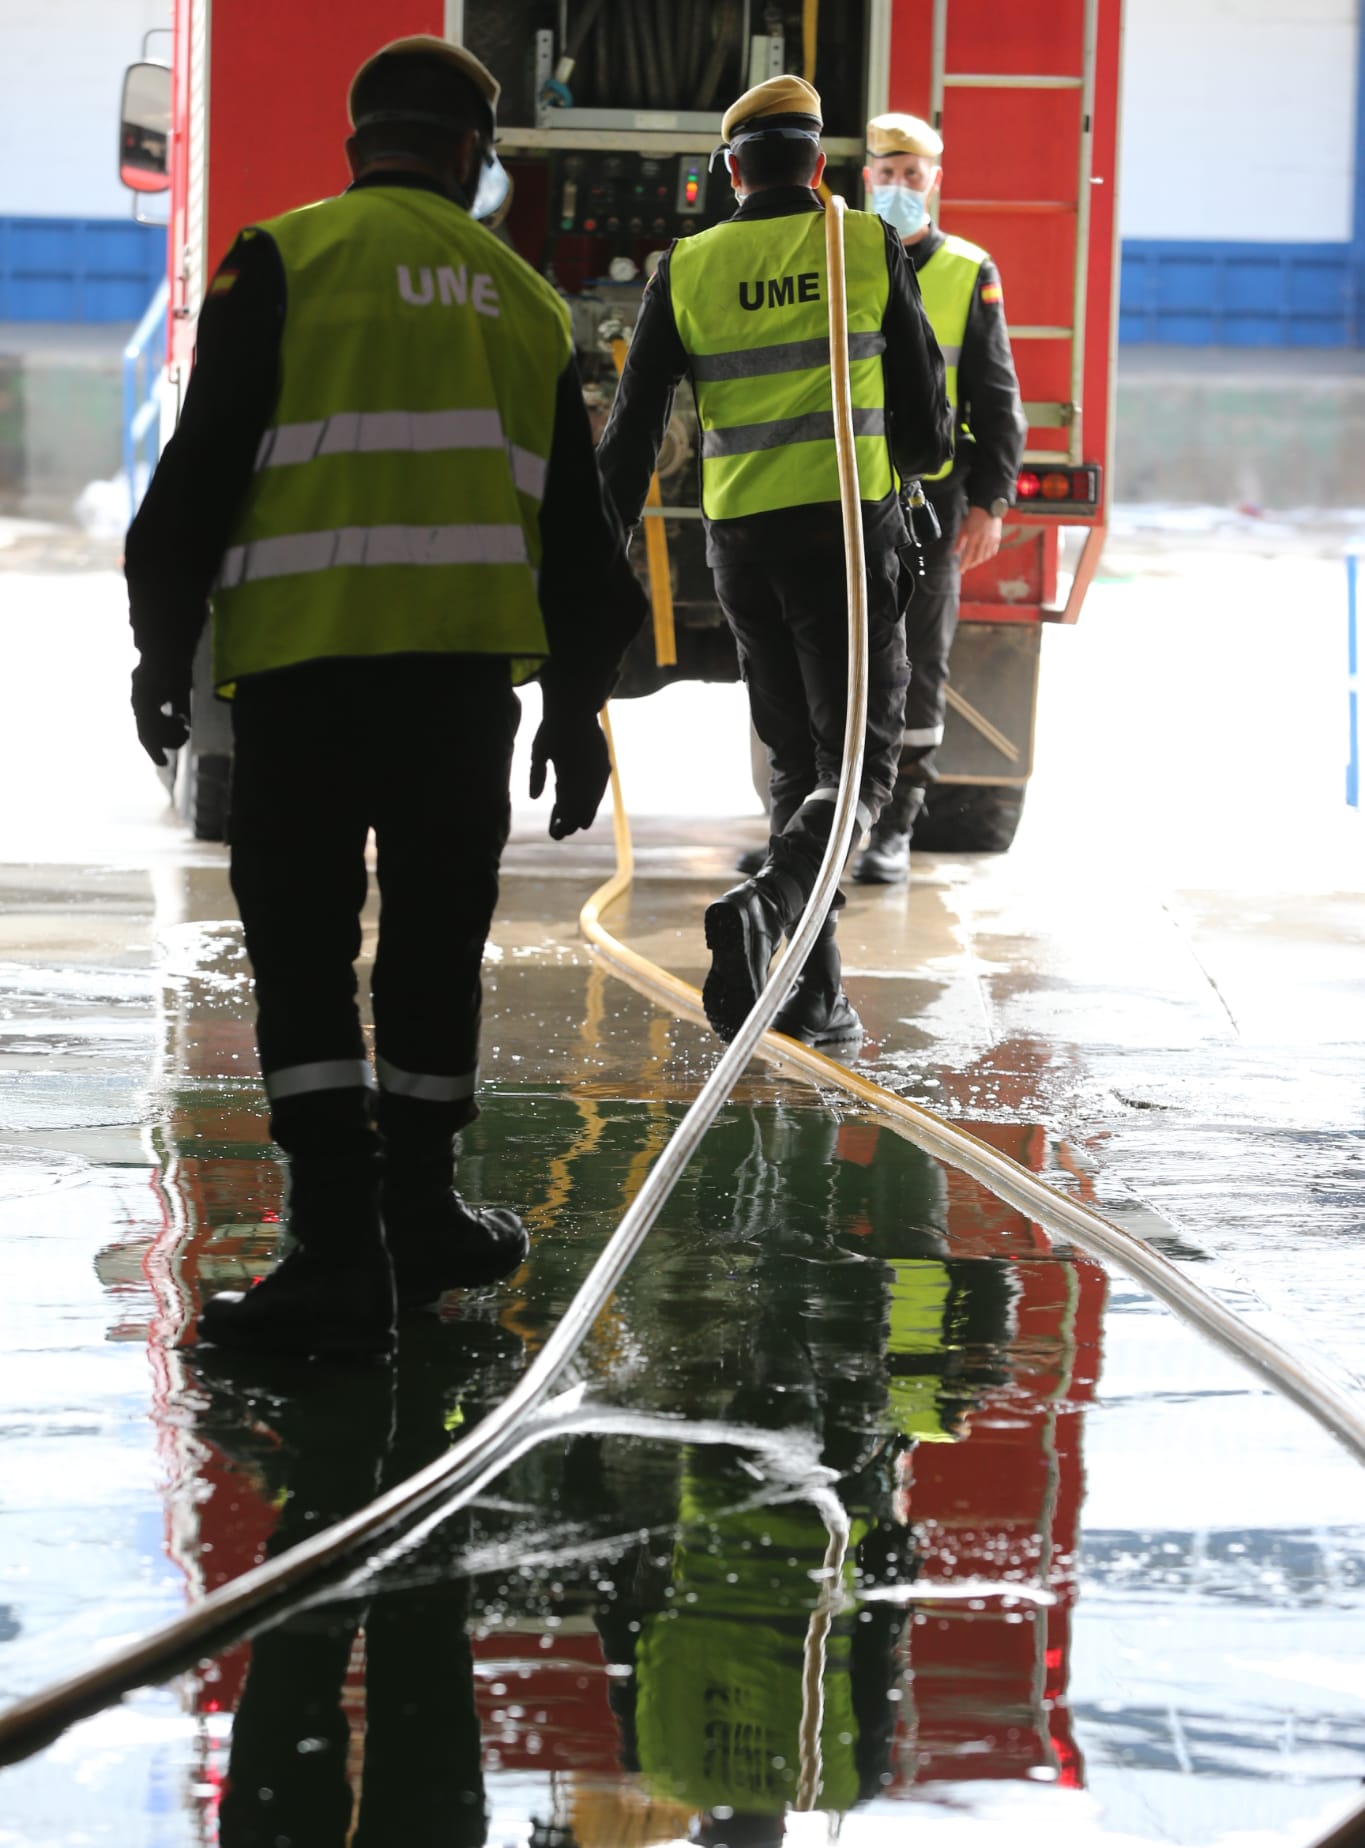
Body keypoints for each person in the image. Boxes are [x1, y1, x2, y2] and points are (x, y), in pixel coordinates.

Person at [124, 37, 646, 1361]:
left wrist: (159, 651)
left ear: (358, 143)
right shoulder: (526, 304)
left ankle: (336, 1246)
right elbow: (583, 547)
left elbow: (194, 482)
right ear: (475, 157)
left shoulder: (282, 260)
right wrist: (580, 709)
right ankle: (417, 1213)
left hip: (301, 685)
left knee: (301, 956)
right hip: (459, 696)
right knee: (429, 952)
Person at [597, 76, 949, 1048]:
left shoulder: (690, 264)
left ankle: (809, 992)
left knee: (799, 762)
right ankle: (773, 899)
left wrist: (594, 561)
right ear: (822, 167)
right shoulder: (866, 244)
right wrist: (897, 463)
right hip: (843, 534)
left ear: (729, 170)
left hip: (740, 543)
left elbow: (629, 442)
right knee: (863, 767)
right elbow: (925, 430)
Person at [853, 111, 1027, 884]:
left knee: (918, 660)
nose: (896, 186)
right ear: (864, 179)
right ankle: (825, 823)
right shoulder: (833, 258)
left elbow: (995, 393)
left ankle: (894, 825)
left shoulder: (965, 267)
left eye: (910, 174)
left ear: (934, 181)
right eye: (884, 174)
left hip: (931, 499)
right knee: (837, 656)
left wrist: (990, 500)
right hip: (843, 491)